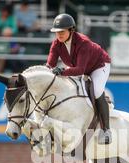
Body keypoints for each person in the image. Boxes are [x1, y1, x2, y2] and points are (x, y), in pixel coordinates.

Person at [46, 13, 112, 145]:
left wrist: (62, 71)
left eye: (62, 31)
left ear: (71, 30)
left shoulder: (83, 43)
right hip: (77, 67)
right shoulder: (56, 44)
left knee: (97, 90)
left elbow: (80, 70)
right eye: (56, 32)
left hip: (99, 66)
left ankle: (106, 131)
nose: (59, 34)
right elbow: (50, 65)